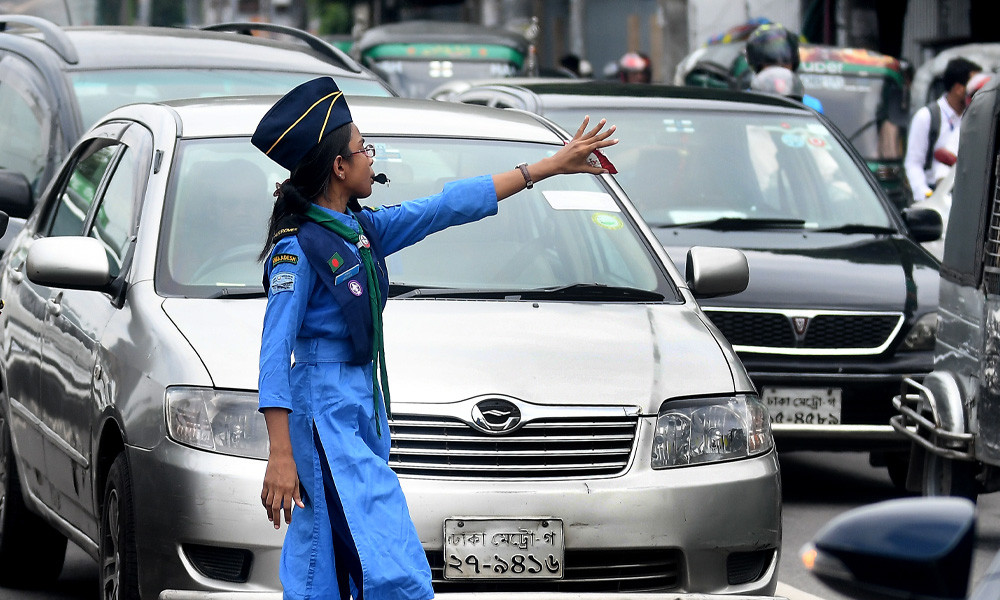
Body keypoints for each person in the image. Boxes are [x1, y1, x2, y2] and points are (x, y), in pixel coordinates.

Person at [252, 76, 617, 600]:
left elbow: (446, 207)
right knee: (384, 566)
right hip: (321, 419)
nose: (369, 157)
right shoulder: (299, 249)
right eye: (362, 149)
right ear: (338, 166)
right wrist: (281, 453)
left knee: (326, 560)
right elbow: (273, 352)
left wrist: (547, 167)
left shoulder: (361, 229)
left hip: (357, 409)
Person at [904, 57, 981, 201]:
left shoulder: (974, 118)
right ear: (959, 88)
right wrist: (926, 195)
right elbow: (913, 162)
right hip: (934, 194)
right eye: (974, 88)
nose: (978, 92)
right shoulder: (927, 117)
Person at [743, 23, 823, 112]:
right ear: (758, 66)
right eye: (771, 65)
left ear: (793, 63)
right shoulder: (745, 103)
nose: (778, 71)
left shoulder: (810, 106)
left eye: (784, 64)